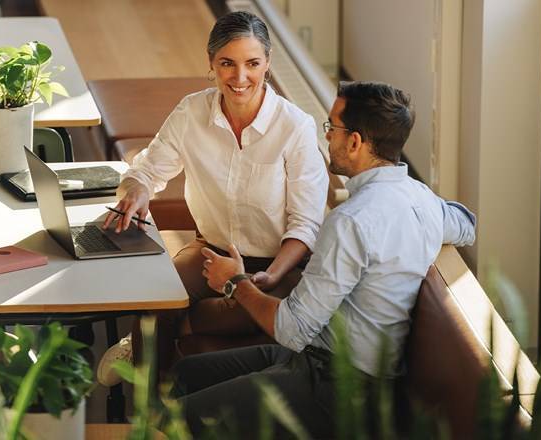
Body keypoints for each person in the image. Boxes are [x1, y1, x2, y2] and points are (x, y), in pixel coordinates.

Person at [173, 81, 478, 436]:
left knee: (175, 418)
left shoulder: (350, 221)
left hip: (337, 389)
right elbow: (466, 225)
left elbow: (290, 328)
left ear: (355, 142)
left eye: (331, 127)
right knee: (183, 374)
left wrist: (235, 282)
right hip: (321, 361)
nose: (327, 137)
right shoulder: (420, 199)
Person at [95, 10, 329, 386]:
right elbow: (148, 170)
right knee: (156, 297)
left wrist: (264, 277)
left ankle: (172, 334)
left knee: (229, 312)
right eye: (227, 63)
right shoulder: (191, 111)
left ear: (267, 63)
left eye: (252, 63)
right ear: (211, 64)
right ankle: (150, 412)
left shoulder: (295, 127)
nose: (240, 78)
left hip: (280, 263)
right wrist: (137, 191)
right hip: (211, 251)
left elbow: (306, 225)